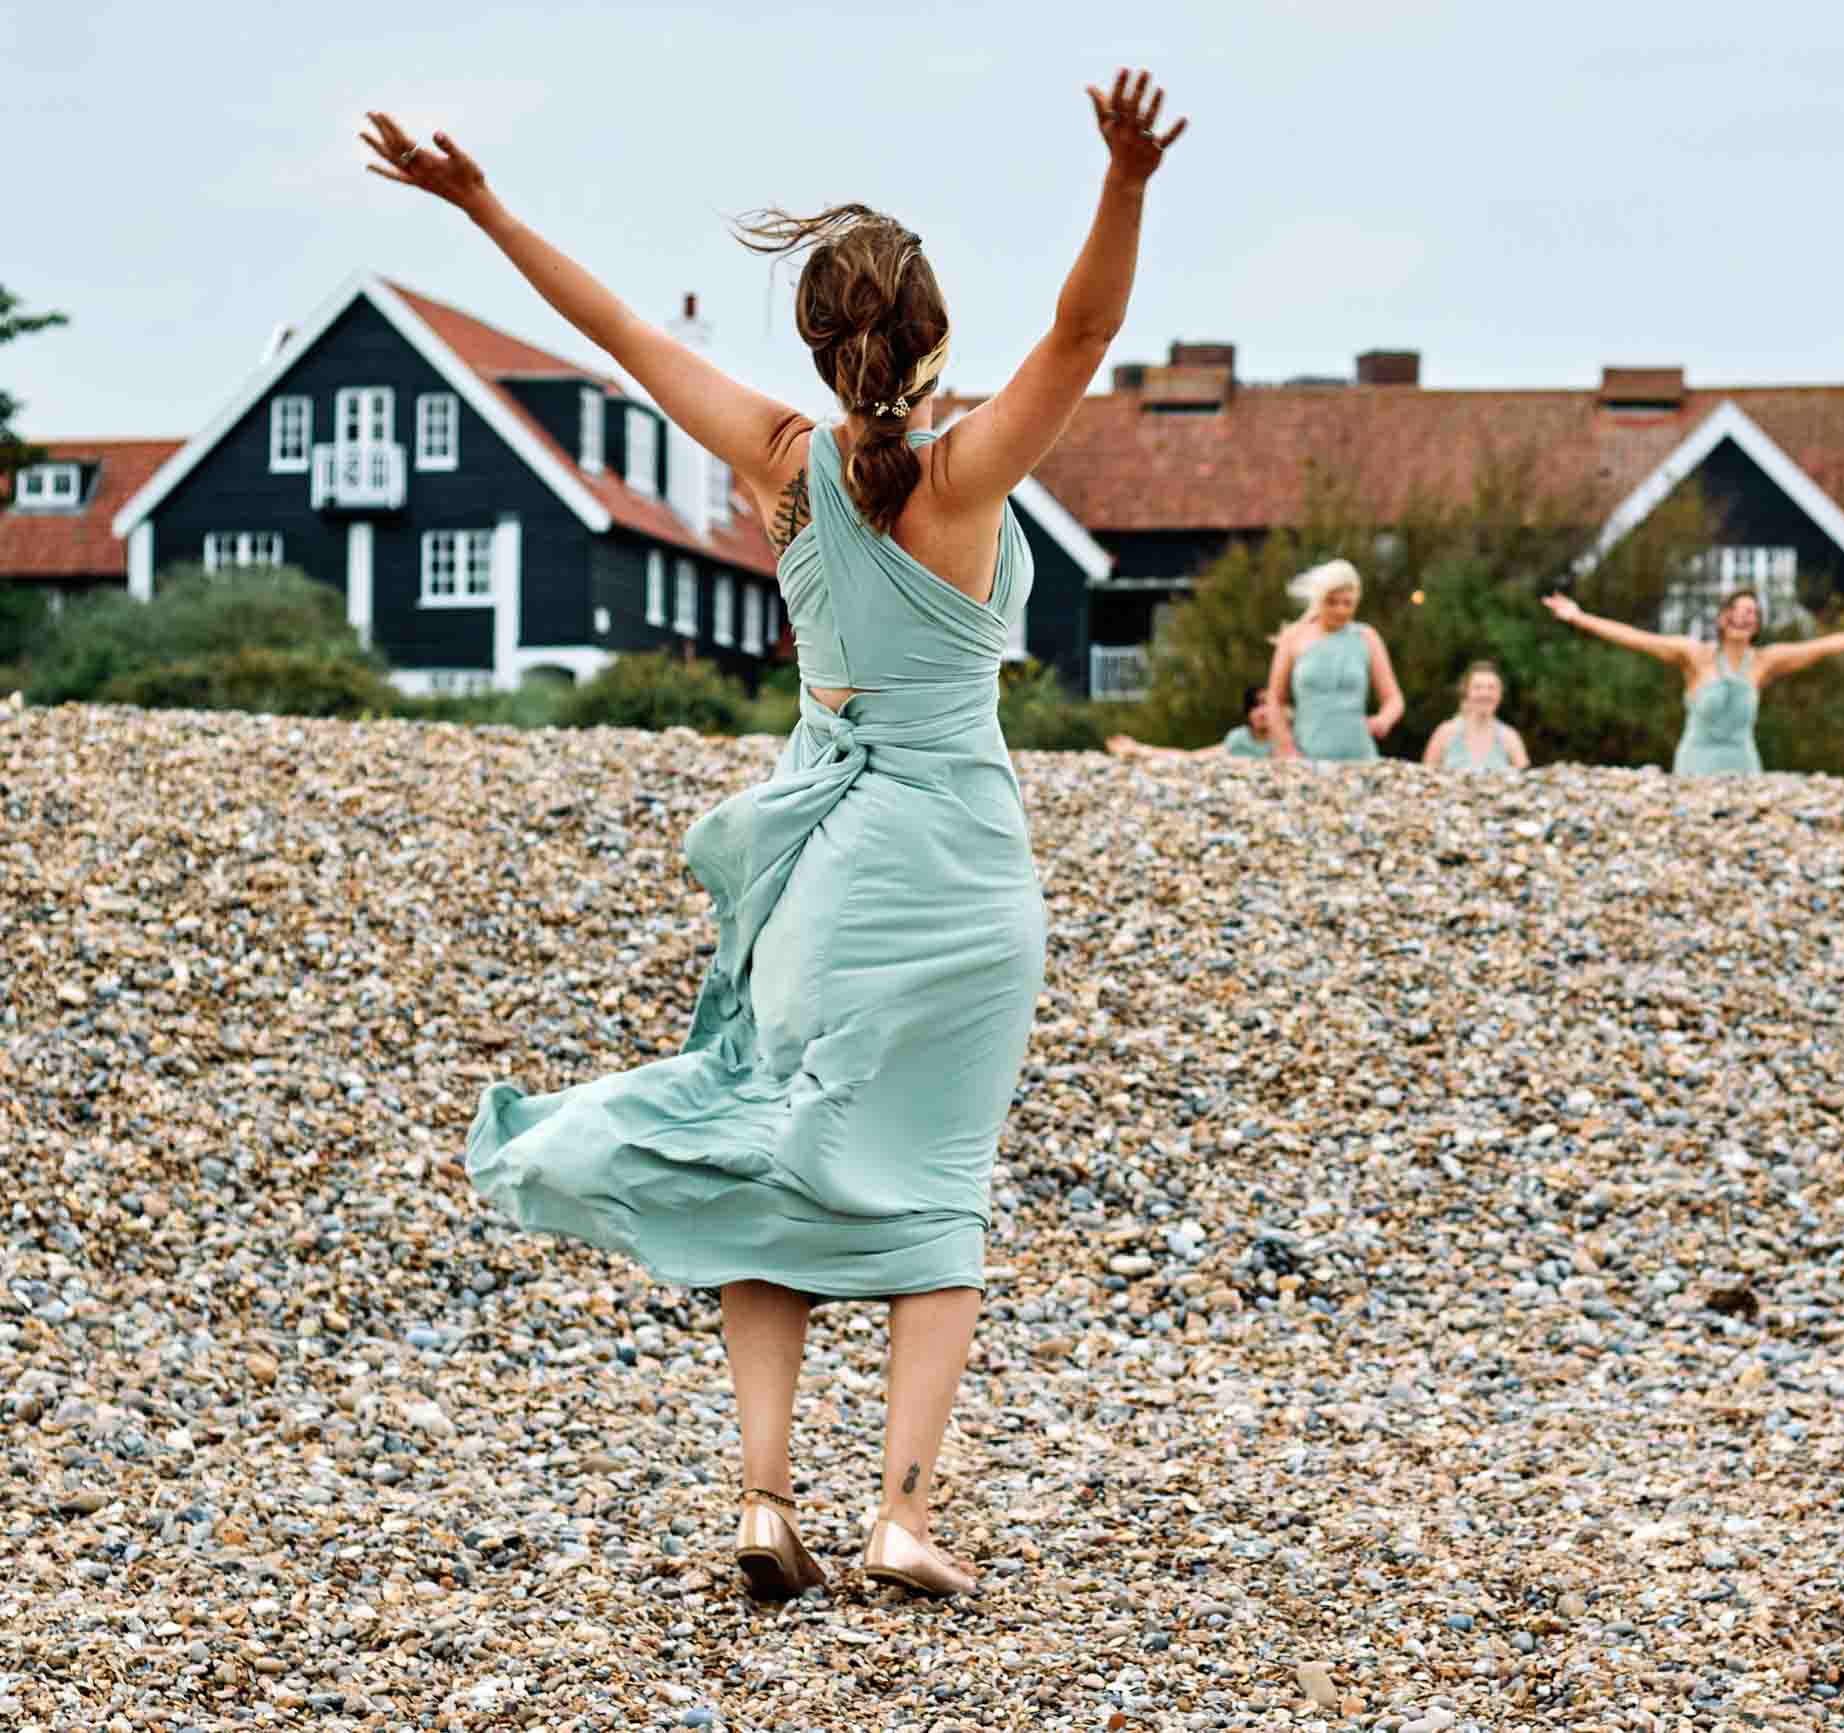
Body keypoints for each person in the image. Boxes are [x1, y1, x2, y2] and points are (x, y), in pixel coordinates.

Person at [363, 67, 1188, 1602]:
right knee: (936, 1185)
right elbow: (1081, 336)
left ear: (819, 342)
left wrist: (479, 207)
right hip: (953, 867)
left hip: (820, 872)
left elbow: (610, 334)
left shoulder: (776, 462)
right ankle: (901, 1520)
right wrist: (1125, 180)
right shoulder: (965, 477)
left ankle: (761, 1501)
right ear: (930, 336)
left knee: (776, 1147)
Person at [1541, 588, 1844, 775]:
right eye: (1735, 612)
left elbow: (1825, 646)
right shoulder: (1693, 655)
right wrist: (1578, 616)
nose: (1742, 618)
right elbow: (1635, 638)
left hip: (1743, 763)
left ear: (1757, 623)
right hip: (1695, 763)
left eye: (1750, 613)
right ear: (1722, 619)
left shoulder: (1765, 662)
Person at [1266, 559, 1403, 761]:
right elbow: (1275, 699)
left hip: (1360, 756)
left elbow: (1394, 699)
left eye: (1348, 603)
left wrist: (1384, 720)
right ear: (1318, 599)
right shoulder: (1293, 637)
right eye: (1332, 602)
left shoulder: (1367, 637)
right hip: (1306, 757)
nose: (1340, 610)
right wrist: (1286, 748)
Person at [1105, 685, 1280, 761]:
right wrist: (1139, 750)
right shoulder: (1239, 739)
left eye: (1267, 704)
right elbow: (1193, 758)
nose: (1263, 712)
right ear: (1248, 713)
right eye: (1256, 706)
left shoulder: (1293, 738)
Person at [1420, 661, 1530, 771]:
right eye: (1478, 687)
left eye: (1491, 688)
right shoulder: (1445, 733)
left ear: (1500, 694)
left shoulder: (1510, 737)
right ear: (1466, 692)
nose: (1485, 694)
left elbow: (1527, 782)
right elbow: (1425, 777)